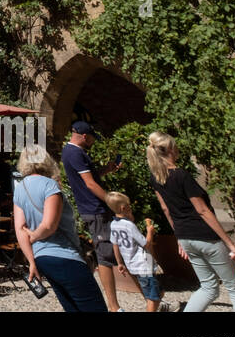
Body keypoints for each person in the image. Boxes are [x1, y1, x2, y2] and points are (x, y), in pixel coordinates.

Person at [146, 131, 235, 313]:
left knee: (209, 287)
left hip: (186, 238)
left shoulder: (156, 178)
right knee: (234, 287)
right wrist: (231, 245)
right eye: (175, 146)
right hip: (206, 236)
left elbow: (166, 210)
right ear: (170, 149)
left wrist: (179, 238)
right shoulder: (182, 176)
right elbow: (202, 210)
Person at [14, 144, 107, 312]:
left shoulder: (20, 188)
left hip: (41, 258)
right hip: (65, 255)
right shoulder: (50, 185)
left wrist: (31, 261)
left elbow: (20, 229)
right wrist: (34, 236)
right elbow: (49, 225)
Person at [61, 122, 122, 311]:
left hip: (92, 208)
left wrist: (106, 170)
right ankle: (114, 306)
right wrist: (110, 200)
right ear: (85, 136)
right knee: (105, 256)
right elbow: (89, 184)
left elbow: (88, 179)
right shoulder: (76, 153)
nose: (93, 142)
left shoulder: (71, 152)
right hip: (94, 209)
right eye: (93, 138)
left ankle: (116, 304)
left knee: (107, 252)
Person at [107, 191, 166, 312]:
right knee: (152, 298)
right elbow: (147, 244)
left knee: (158, 291)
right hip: (143, 265)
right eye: (129, 206)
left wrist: (120, 263)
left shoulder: (113, 224)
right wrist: (149, 231)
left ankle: (158, 308)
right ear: (123, 208)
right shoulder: (129, 226)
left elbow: (115, 245)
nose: (131, 207)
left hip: (133, 266)